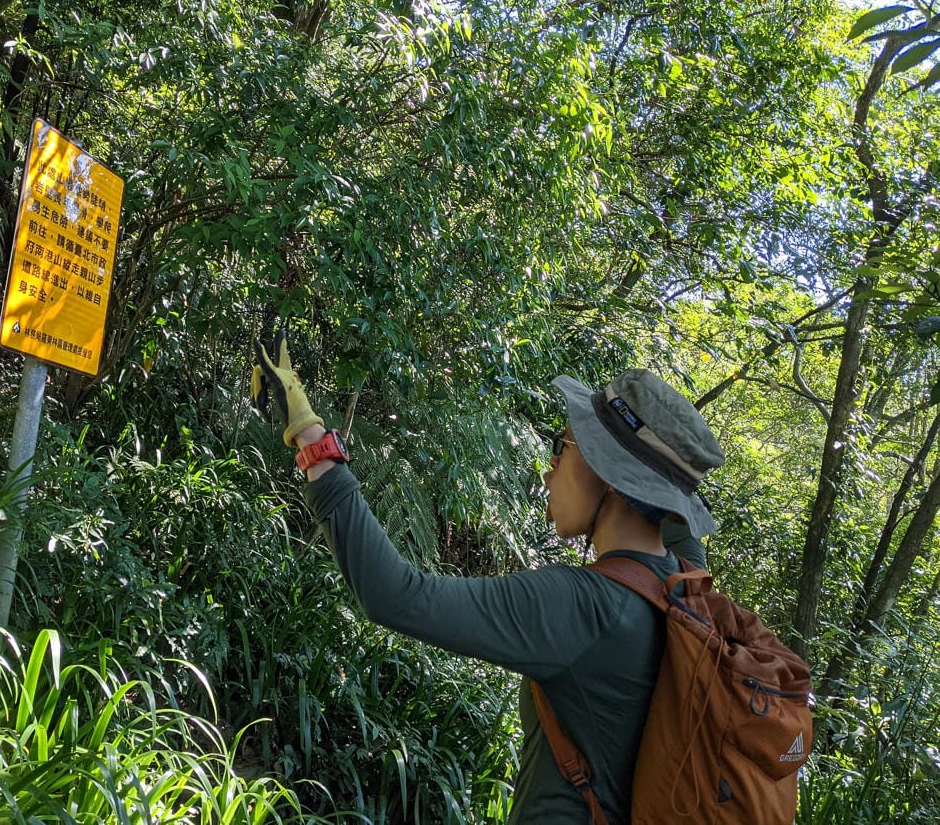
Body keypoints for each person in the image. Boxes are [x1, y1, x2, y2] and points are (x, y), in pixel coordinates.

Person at [251, 332, 726, 824]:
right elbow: (676, 522)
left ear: (612, 477)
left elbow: (396, 595)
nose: (550, 468)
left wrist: (310, 435)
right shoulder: (686, 578)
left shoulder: (581, 606)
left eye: (566, 445)